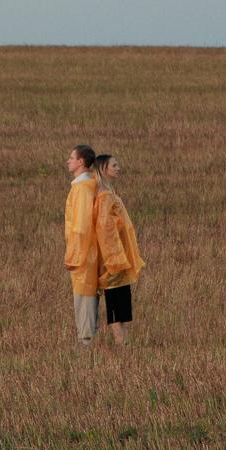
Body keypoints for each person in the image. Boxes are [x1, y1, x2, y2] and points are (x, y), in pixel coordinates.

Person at [92, 153, 144, 344]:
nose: (118, 168)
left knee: (122, 298)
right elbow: (105, 229)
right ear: (104, 169)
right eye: (114, 165)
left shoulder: (109, 192)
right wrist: (113, 258)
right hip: (113, 259)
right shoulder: (104, 196)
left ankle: (124, 340)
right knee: (114, 297)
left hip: (120, 254)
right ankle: (120, 340)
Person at [64, 143, 101, 343]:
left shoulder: (83, 188)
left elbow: (81, 226)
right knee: (87, 294)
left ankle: (86, 340)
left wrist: (73, 253)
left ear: (81, 162)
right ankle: (88, 336)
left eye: (71, 158)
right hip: (89, 250)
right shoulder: (89, 185)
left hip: (84, 252)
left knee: (84, 295)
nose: (68, 161)